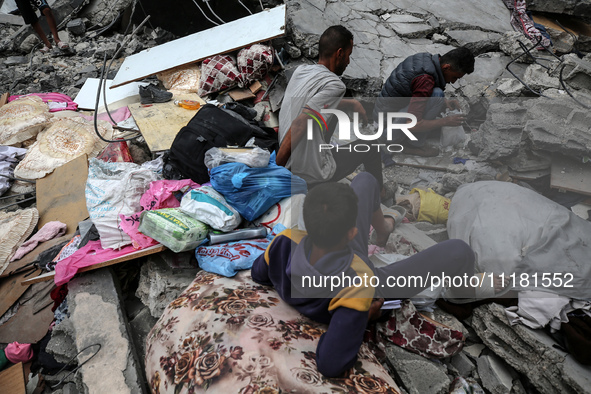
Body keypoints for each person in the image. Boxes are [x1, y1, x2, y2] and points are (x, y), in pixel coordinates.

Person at [251, 172, 476, 377]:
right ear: (352, 232)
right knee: (460, 251)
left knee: (366, 180)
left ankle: (384, 229)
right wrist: (367, 315)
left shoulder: (285, 240)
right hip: (367, 278)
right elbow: (331, 364)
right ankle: (460, 298)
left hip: (340, 257)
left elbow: (258, 274)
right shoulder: (360, 284)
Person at [276, 25, 384, 189]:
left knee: (332, 111)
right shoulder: (336, 85)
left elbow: (316, 103)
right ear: (339, 53)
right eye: (348, 56)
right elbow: (299, 123)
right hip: (304, 173)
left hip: (290, 155)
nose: (348, 61)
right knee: (372, 146)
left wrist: (352, 103)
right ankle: (381, 192)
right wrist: (275, 172)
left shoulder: (301, 71)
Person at [374, 47, 475, 160]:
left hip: (382, 117)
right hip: (386, 132)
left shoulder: (425, 59)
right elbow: (412, 124)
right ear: (447, 67)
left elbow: (417, 92)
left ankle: (410, 140)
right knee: (437, 95)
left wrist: (444, 102)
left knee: (438, 96)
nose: (453, 82)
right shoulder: (425, 79)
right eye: (454, 77)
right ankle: (412, 145)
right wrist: (445, 121)